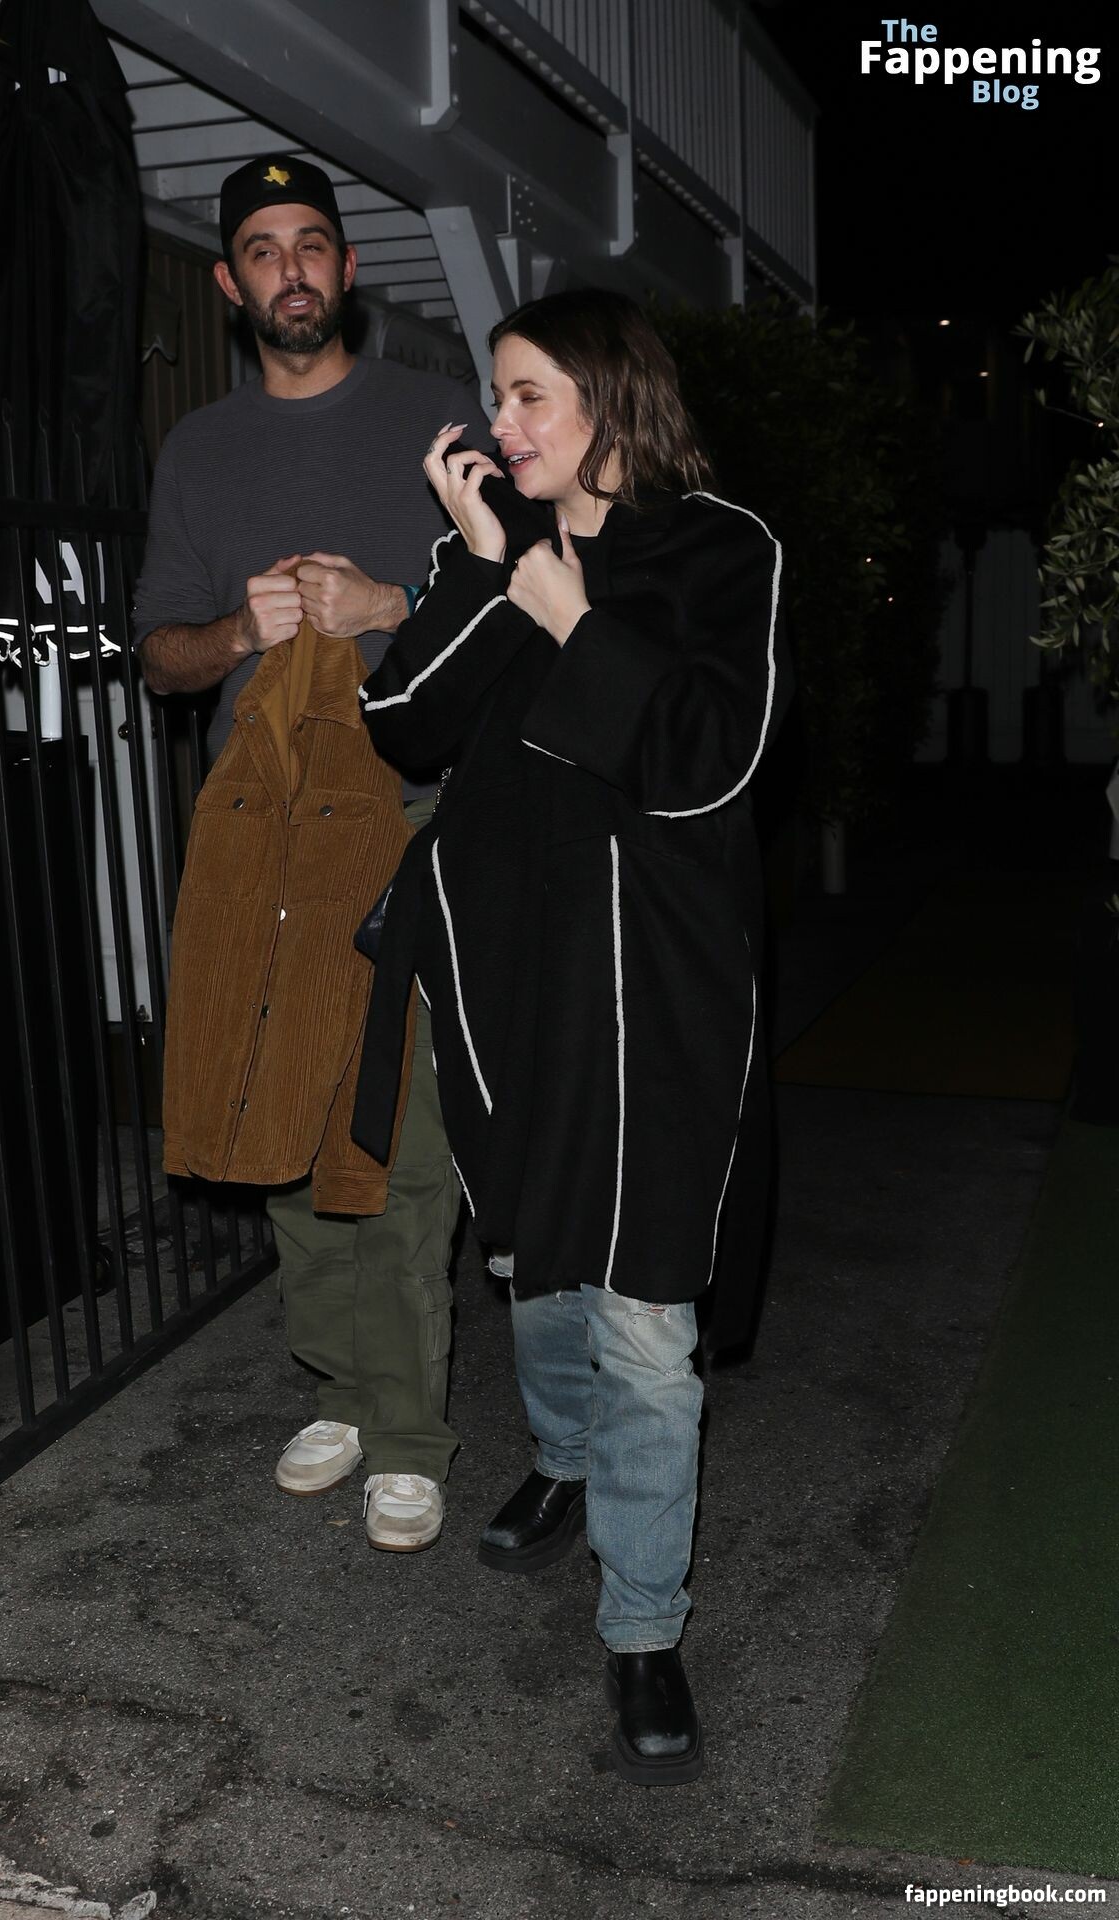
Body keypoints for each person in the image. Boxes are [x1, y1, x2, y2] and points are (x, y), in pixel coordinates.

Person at [352, 289, 786, 1778]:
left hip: (658, 993)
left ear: (610, 398)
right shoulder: (494, 546)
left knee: (647, 1317)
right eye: (498, 393)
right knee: (536, 1261)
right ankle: (562, 1459)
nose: (501, 422)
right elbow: (403, 723)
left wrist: (574, 620)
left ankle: (645, 1627)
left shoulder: (722, 548)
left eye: (529, 393)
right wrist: (484, 570)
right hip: (512, 980)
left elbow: (707, 764)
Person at [133, 154, 483, 1553]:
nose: (292, 268)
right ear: (232, 283)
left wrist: (391, 602)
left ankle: (408, 1430)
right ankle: (338, 1388)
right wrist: (239, 632)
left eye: (314, 243)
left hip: (407, 811)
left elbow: (519, 606)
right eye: (265, 250)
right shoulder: (197, 451)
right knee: (276, 1115)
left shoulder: (436, 421)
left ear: (347, 268)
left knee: (394, 1128)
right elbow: (160, 656)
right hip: (257, 831)